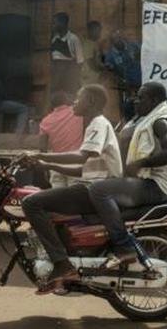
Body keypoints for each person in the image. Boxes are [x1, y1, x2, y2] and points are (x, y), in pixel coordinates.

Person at [21, 84, 122, 294]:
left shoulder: (98, 124)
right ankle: (63, 263)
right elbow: (81, 169)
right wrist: (47, 165)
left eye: (78, 98)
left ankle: (62, 264)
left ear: (91, 102)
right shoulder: (93, 124)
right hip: (91, 186)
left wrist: (40, 155)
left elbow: (80, 157)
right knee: (51, 208)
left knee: (31, 202)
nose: (75, 102)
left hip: (93, 190)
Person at [88, 82, 167, 266]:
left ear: (154, 100)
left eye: (141, 97)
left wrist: (140, 163)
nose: (135, 101)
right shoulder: (143, 120)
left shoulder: (161, 121)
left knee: (98, 190)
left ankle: (124, 247)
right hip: (146, 182)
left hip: (156, 185)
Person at [39, 91, 84, 188]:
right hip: (75, 163)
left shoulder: (46, 121)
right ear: (66, 100)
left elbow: (42, 148)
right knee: (74, 197)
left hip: (56, 164)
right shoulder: (76, 113)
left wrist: (45, 168)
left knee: (57, 198)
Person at [104, 29, 142, 121]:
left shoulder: (134, 46)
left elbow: (147, 54)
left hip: (141, 81)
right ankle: (126, 122)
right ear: (112, 41)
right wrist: (119, 80)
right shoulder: (110, 55)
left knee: (142, 103)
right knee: (126, 105)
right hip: (125, 85)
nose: (119, 40)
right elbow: (110, 72)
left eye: (120, 37)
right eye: (115, 39)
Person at [50, 12, 84, 94]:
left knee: (69, 100)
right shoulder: (54, 39)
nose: (52, 25)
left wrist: (73, 79)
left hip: (69, 77)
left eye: (54, 23)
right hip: (57, 78)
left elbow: (80, 61)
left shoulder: (74, 39)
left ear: (62, 23)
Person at [80, 21, 105, 86]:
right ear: (90, 31)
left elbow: (98, 59)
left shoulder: (95, 43)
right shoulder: (87, 45)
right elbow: (90, 62)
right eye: (97, 31)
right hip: (88, 80)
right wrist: (102, 71)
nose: (99, 33)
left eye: (100, 30)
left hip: (94, 79)